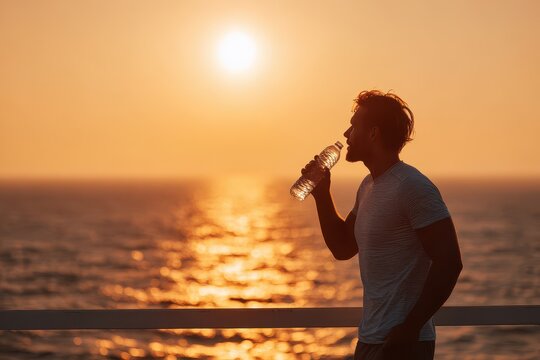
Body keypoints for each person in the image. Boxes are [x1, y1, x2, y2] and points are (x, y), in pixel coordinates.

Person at [301, 90, 463, 360]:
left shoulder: (412, 187)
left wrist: (408, 330)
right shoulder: (369, 186)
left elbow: (450, 263)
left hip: (403, 343)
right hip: (371, 339)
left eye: (354, 125)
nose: (346, 134)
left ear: (373, 133)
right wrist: (321, 193)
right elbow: (342, 247)